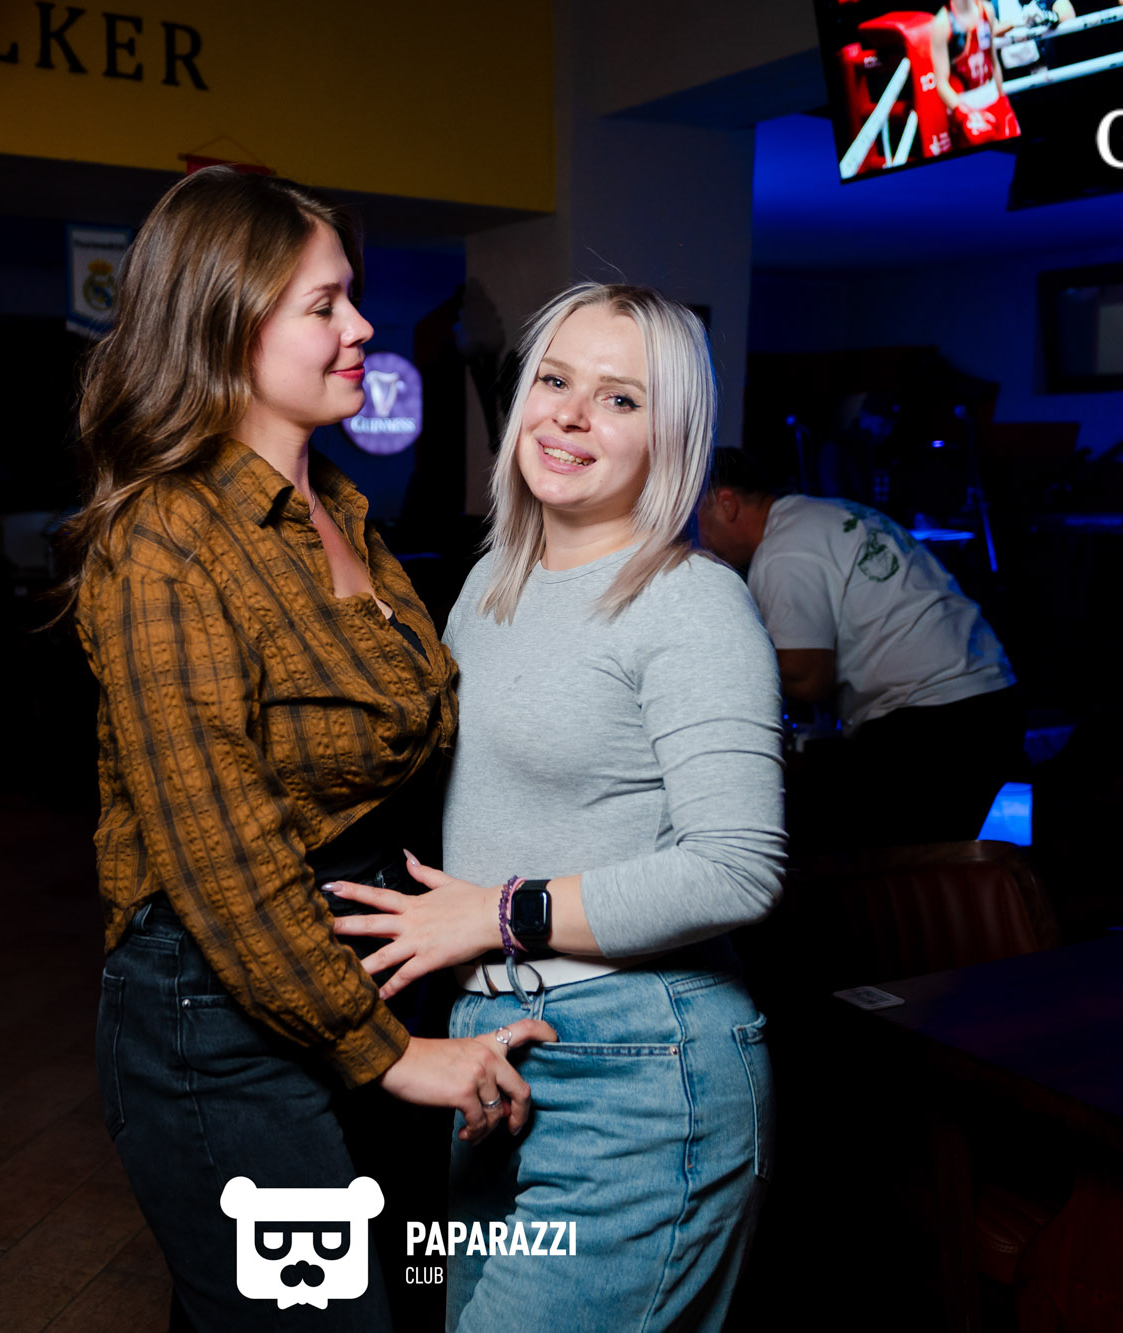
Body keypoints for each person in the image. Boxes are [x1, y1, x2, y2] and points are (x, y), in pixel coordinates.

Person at [63, 167, 555, 1331]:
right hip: (223, 1015)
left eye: (352, 298)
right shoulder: (164, 537)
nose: (362, 327)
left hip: (369, 977)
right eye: (324, 305)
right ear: (225, 325)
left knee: (408, 1297)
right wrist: (391, 1054)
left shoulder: (340, 509)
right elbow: (220, 853)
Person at [327, 282, 785, 1330]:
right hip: (490, 1048)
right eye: (554, 380)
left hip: (639, 1065)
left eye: (620, 398)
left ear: (672, 435)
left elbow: (738, 867)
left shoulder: (690, 601)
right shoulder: (493, 580)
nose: (571, 415)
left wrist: (498, 913)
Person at [696, 447, 1021, 851]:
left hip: (936, 725)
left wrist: (714, 671)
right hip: (989, 701)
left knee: (847, 857)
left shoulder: (783, 551)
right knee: (925, 861)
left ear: (726, 504)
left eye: (696, 520)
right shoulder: (826, 514)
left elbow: (806, 677)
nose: (699, 541)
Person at [930, 0, 1019, 147]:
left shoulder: (986, 10)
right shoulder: (942, 24)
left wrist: (1002, 99)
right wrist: (965, 115)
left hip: (994, 99)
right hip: (965, 105)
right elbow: (941, 83)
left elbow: (993, 60)